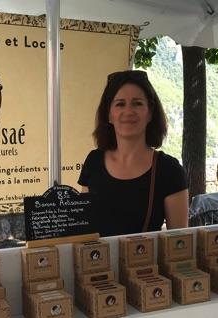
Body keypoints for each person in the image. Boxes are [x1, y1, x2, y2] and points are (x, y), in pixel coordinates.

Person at [78, 70, 188, 237]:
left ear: (150, 113)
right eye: (120, 104)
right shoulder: (93, 162)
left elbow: (179, 243)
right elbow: (85, 229)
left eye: (137, 103)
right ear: (109, 114)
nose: (129, 111)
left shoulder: (169, 170)